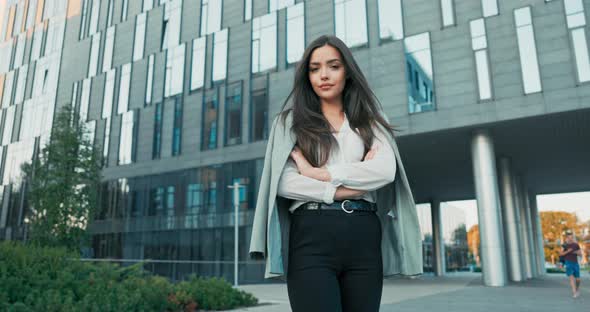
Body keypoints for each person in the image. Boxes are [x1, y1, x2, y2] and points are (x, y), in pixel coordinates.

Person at [249, 35, 423, 312]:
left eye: (333, 66)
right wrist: (344, 188)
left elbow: (385, 171)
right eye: (315, 68)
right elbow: (283, 182)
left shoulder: (370, 121)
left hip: (364, 235)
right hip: (311, 233)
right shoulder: (288, 123)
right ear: (307, 76)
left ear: (347, 72)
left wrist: (319, 173)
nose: (324, 75)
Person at [559, 232, 582, 298]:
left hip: (575, 263)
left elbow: (580, 254)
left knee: (578, 279)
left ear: (573, 238)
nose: (570, 239)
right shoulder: (564, 245)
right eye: (569, 237)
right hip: (568, 263)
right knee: (571, 278)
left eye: (571, 237)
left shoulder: (576, 245)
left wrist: (576, 252)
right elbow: (560, 254)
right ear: (566, 238)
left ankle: (577, 289)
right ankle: (574, 293)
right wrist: (568, 251)